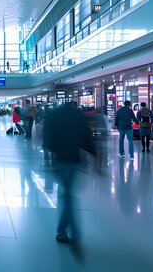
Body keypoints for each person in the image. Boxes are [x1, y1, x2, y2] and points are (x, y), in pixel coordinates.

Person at [43, 102, 94, 244]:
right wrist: (94, 156)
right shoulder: (77, 115)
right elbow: (86, 137)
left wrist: (49, 159)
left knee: (67, 194)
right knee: (68, 195)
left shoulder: (54, 115)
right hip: (73, 159)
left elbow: (48, 139)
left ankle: (63, 230)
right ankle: (67, 230)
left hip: (59, 159)